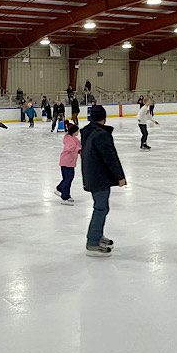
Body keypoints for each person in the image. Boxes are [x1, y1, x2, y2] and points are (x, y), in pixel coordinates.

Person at [80, 105, 125, 257]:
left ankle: (97, 235)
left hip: (92, 175)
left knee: (101, 207)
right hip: (99, 177)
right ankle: (92, 240)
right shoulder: (101, 135)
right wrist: (120, 177)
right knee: (101, 208)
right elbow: (110, 157)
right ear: (104, 118)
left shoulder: (87, 131)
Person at [55, 123, 80, 204]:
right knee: (68, 179)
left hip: (70, 162)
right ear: (73, 132)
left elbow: (79, 145)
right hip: (66, 162)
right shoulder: (70, 139)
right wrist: (78, 150)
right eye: (77, 131)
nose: (78, 132)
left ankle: (60, 188)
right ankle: (65, 197)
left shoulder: (73, 138)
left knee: (69, 178)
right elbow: (70, 148)